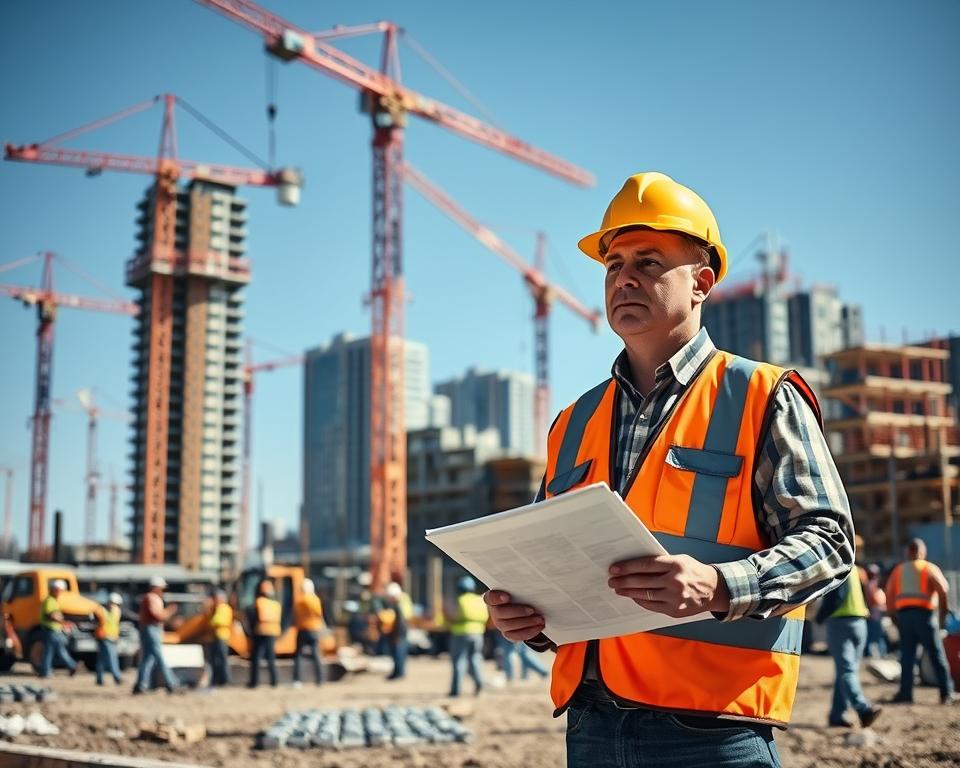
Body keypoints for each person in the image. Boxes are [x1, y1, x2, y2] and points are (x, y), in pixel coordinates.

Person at [482, 172, 856, 767]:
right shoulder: (571, 424)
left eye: (649, 262)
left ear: (702, 282)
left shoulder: (761, 395)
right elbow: (556, 571)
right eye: (613, 264)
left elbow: (830, 546)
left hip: (712, 731)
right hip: (592, 726)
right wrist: (527, 616)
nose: (624, 277)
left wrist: (718, 586)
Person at [885, 538, 956, 705]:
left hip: (905, 617)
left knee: (908, 657)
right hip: (925, 616)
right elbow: (943, 588)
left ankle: (905, 694)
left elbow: (889, 594)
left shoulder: (898, 570)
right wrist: (943, 613)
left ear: (908, 552)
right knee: (936, 654)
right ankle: (946, 693)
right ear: (922, 552)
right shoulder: (928, 568)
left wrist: (893, 617)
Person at [815, 562, 882, 728]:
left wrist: (819, 617)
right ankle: (837, 715)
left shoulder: (836, 565)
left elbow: (836, 597)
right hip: (859, 621)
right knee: (846, 671)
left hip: (840, 623)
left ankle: (863, 709)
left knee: (846, 671)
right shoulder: (856, 569)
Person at [133, 575, 179, 694]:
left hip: (149, 628)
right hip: (151, 629)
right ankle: (171, 684)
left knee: (148, 658)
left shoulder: (150, 598)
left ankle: (140, 685)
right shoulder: (151, 598)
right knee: (158, 656)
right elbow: (158, 615)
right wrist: (170, 611)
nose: (163, 591)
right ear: (156, 588)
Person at [449, 576, 488, 697]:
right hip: (478, 633)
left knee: (459, 661)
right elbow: (486, 617)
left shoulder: (460, 600)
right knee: (475, 659)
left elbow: (454, 616)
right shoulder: (479, 600)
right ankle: (479, 683)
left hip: (461, 634)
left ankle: (456, 690)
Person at [38, 580, 77, 678]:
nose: (61, 593)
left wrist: (63, 622)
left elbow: (53, 615)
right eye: (60, 591)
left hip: (52, 630)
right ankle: (71, 665)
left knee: (49, 651)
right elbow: (52, 615)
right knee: (58, 651)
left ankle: (45, 672)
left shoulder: (51, 600)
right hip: (53, 630)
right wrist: (64, 623)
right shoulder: (51, 600)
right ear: (55, 590)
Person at [292, 578, 325, 687]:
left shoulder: (300, 600)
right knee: (316, 654)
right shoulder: (315, 600)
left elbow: (296, 615)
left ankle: (297, 680)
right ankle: (320, 679)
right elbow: (319, 614)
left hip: (302, 629)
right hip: (314, 630)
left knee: (298, 656)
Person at [247, 578, 281, 688]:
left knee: (256, 657)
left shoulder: (259, 602)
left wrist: (251, 631)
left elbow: (254, 618)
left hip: (260, 631)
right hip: (272, 632)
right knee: (271, 657)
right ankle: (274, 681)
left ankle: (254, 682)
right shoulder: (276, 604)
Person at [94, 592, 124, 686]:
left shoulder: (112, 611)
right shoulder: (104, 610)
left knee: (102, 659)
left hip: (108, 637)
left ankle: (99, 679)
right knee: (112, 658)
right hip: (105, 636)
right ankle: (117, 677)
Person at [383, 581, 410, 680]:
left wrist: (397, 635)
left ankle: (399, 673)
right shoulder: (396, 605)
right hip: (397, 633)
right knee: (396, 654)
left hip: (399, 633)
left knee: (399, 654)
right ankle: (396, 672)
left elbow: (400, 623)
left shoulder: (398, 606)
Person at [207, 590, 232, 687]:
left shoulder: (224, 608)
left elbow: (217, 621)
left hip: (222, 636)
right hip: (217, 637)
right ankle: (218, 679)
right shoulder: (217, 608)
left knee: (222, 659)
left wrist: (213, 621)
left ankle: (225, 680)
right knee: (215, 660)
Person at [864, 564, 888, 658]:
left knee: (878, 634)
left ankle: (881, 652)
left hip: (877, 612)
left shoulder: (875, 584)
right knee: (875, 634)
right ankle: (872, 653)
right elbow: (871, 600)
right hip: (874, 613)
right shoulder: (870, 585)